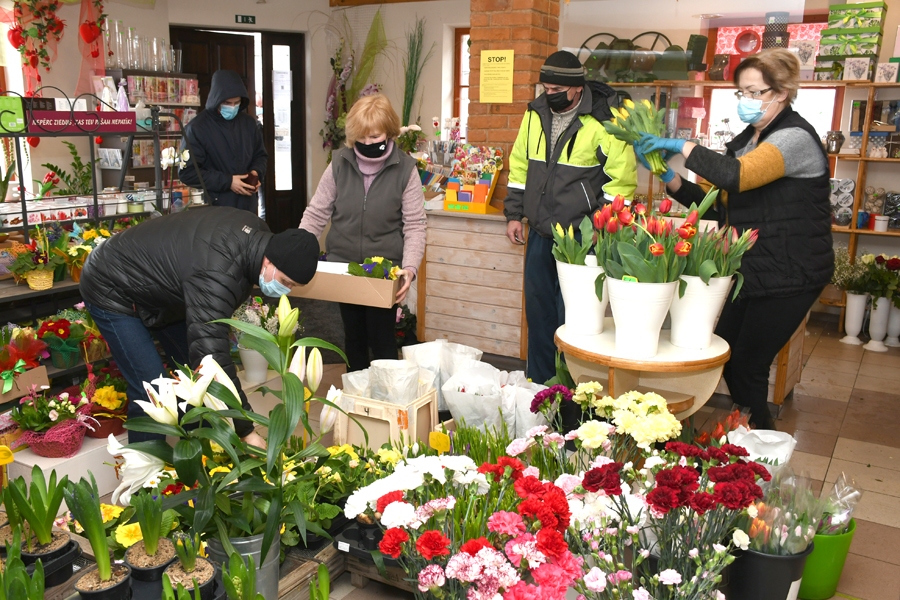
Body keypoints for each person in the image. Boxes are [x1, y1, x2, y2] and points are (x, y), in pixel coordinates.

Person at [637, 48, 833, 429]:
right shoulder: (748, 140)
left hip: (792, 271)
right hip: (755, 268)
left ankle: (763, 447)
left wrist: (681, 146)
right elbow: (718, 207)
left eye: (756, 92)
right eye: (742, 92)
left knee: (747, 364)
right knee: (726, 349)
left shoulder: (793, 138)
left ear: (781, 92)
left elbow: (736, 177)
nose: (747, 100)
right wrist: (669, 178)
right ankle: (749, 440)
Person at [79, 207, 320, 444]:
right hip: (110, 284)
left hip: (162, 290)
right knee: (152, 389)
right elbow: (212, 359)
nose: (285, 290)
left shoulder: (256, 237)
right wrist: (246, 431)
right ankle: (145, 474)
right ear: (269, 261)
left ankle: (195, 452)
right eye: (285, 282)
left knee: (192, 378)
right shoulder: (219, 272)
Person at [503, 50, 637, 385]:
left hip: (582, 241)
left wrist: (599, 229)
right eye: (544, 88)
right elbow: (519, 166)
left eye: (554, 90)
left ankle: (575, 393)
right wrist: (514, 214)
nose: (547, 95)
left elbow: (620, 183)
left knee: (576, 321)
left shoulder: (607, 120)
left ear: (576, 88)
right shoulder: (535, 114)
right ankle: (539, 387)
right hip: (540, 235)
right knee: (539, 315)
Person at [299, 93, 426, 372]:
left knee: (382, 340)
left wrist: (409, 268)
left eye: (375, 136)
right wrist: (298, 250)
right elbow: (317, 212)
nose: (368, 144)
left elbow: (415, 224)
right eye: (362, 138)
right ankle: (356, 401)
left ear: (389, 132)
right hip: (344, 266)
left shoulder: (405, 169)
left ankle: (389, 402)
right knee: (353, 337)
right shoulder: (339, 163)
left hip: (383, 270)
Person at [180, 69, 267, 213]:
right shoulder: (197, 128)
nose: (232, 107)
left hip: (248, 207)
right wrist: (228, 182)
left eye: (236, 102)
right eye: (227, 102)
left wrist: (256, 172)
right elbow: (187, 172)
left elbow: (261, 155)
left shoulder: (249, 124)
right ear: (216, 99)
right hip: (215, 209)